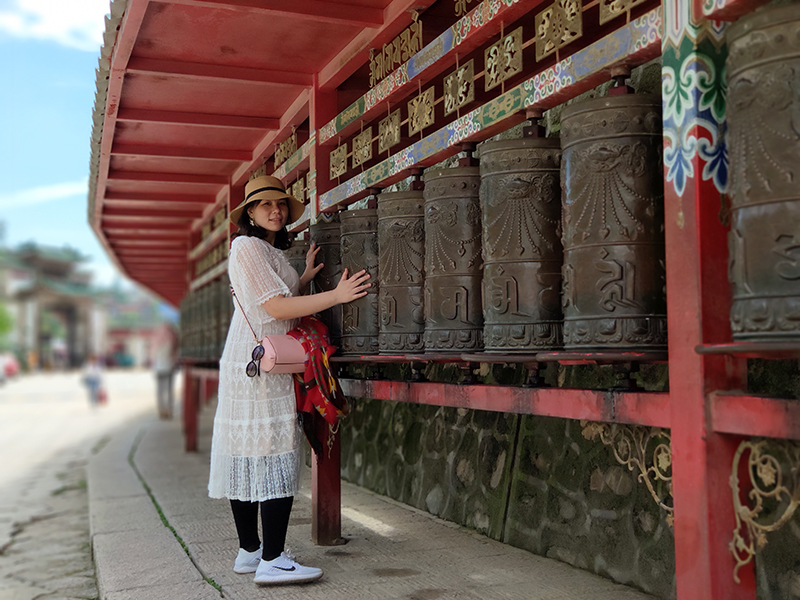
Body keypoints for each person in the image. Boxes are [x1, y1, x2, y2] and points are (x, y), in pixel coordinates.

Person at [207, 175, 370, 586]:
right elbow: (277, 308)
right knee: (272, 449)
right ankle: (273, 559)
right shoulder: (246, 246)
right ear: (249, 213)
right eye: (265, 205)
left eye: (280, 204)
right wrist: (336, 295)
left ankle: (250, 552)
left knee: (248, 451)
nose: (275, 210)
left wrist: (304, 276)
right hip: (261, 363)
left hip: (256, 357)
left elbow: (275, 298)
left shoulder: (263, 250)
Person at [151, 323, 179, 419]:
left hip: (159, 368)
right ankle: (169, 409)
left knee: (160, 390)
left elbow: (153, 355)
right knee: (169, 390)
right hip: (169, 367)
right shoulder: (172, 338)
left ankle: (161, 410)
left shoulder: (157, 340)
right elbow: (174, 354)